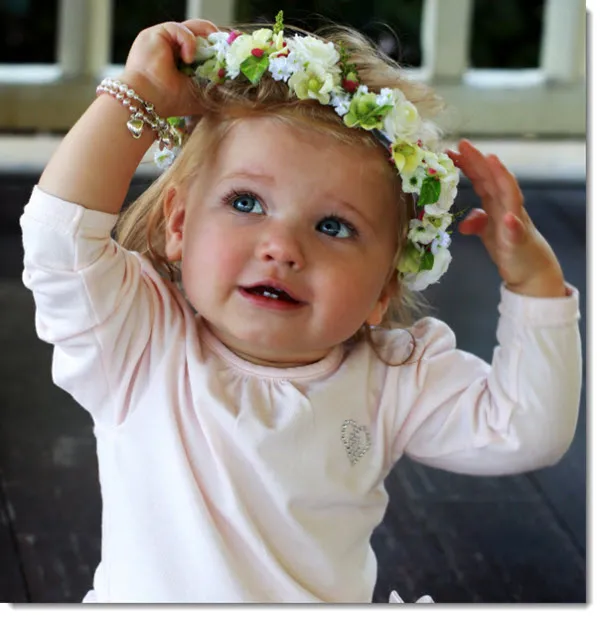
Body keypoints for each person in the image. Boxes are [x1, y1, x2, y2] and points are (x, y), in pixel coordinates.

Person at [20, 12, 581, 604]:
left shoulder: (391, 378)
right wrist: (137, 97)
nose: (282, 248)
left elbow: (526, 428)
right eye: (246, 201)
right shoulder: (140, 343)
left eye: (334, 225)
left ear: (383, 291)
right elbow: (60, 243)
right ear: (180, 223)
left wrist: (534, 282)